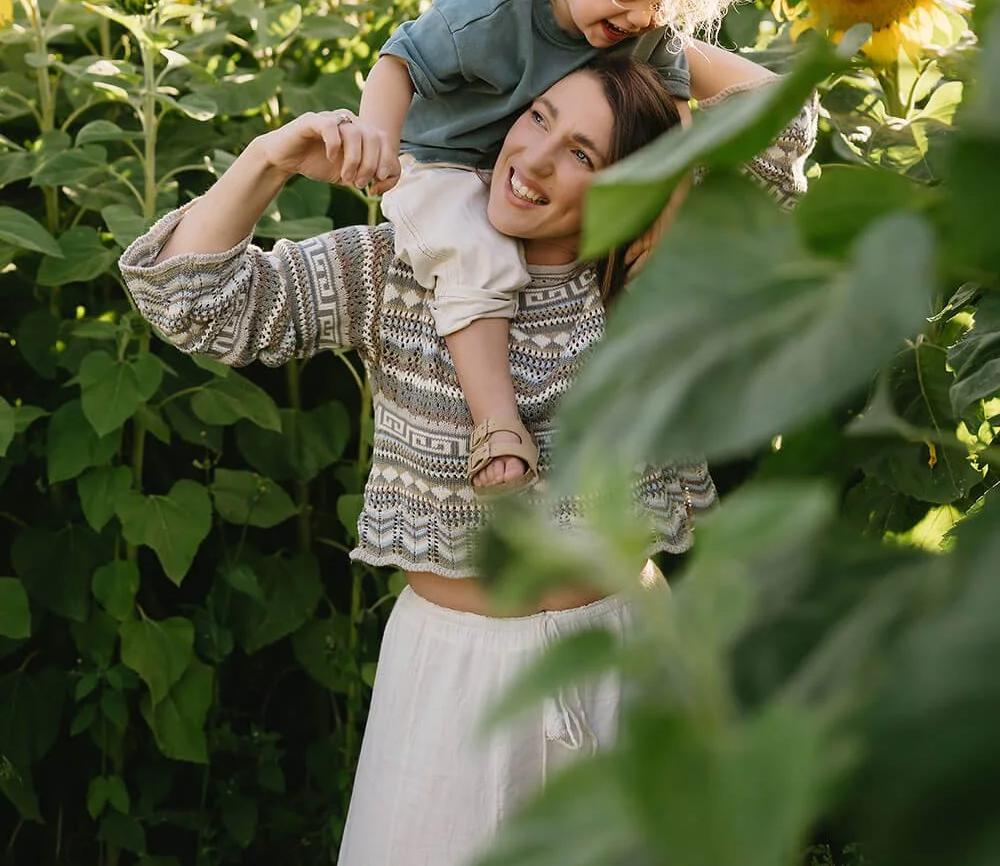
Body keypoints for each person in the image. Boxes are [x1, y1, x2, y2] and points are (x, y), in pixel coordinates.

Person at [119, 50, 815, 866]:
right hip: (454, 681)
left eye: (583, 155)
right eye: (539, 116)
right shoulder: (401, 265)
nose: (536, 159)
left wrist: (649, 29)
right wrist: (270, 160)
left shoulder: (649, 277)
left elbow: (781, 119)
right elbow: (192, 302)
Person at [345, 0, 752, 494]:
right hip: (445, 161)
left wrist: (662, 214)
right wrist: (378, 139)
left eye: (657, 6)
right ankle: (496, 423)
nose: (639, 20)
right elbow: (398, 63)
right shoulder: (494, 7)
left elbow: (673, 124)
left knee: (634, 268)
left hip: (537, 176)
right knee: (475, 259)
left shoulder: (639, 26)